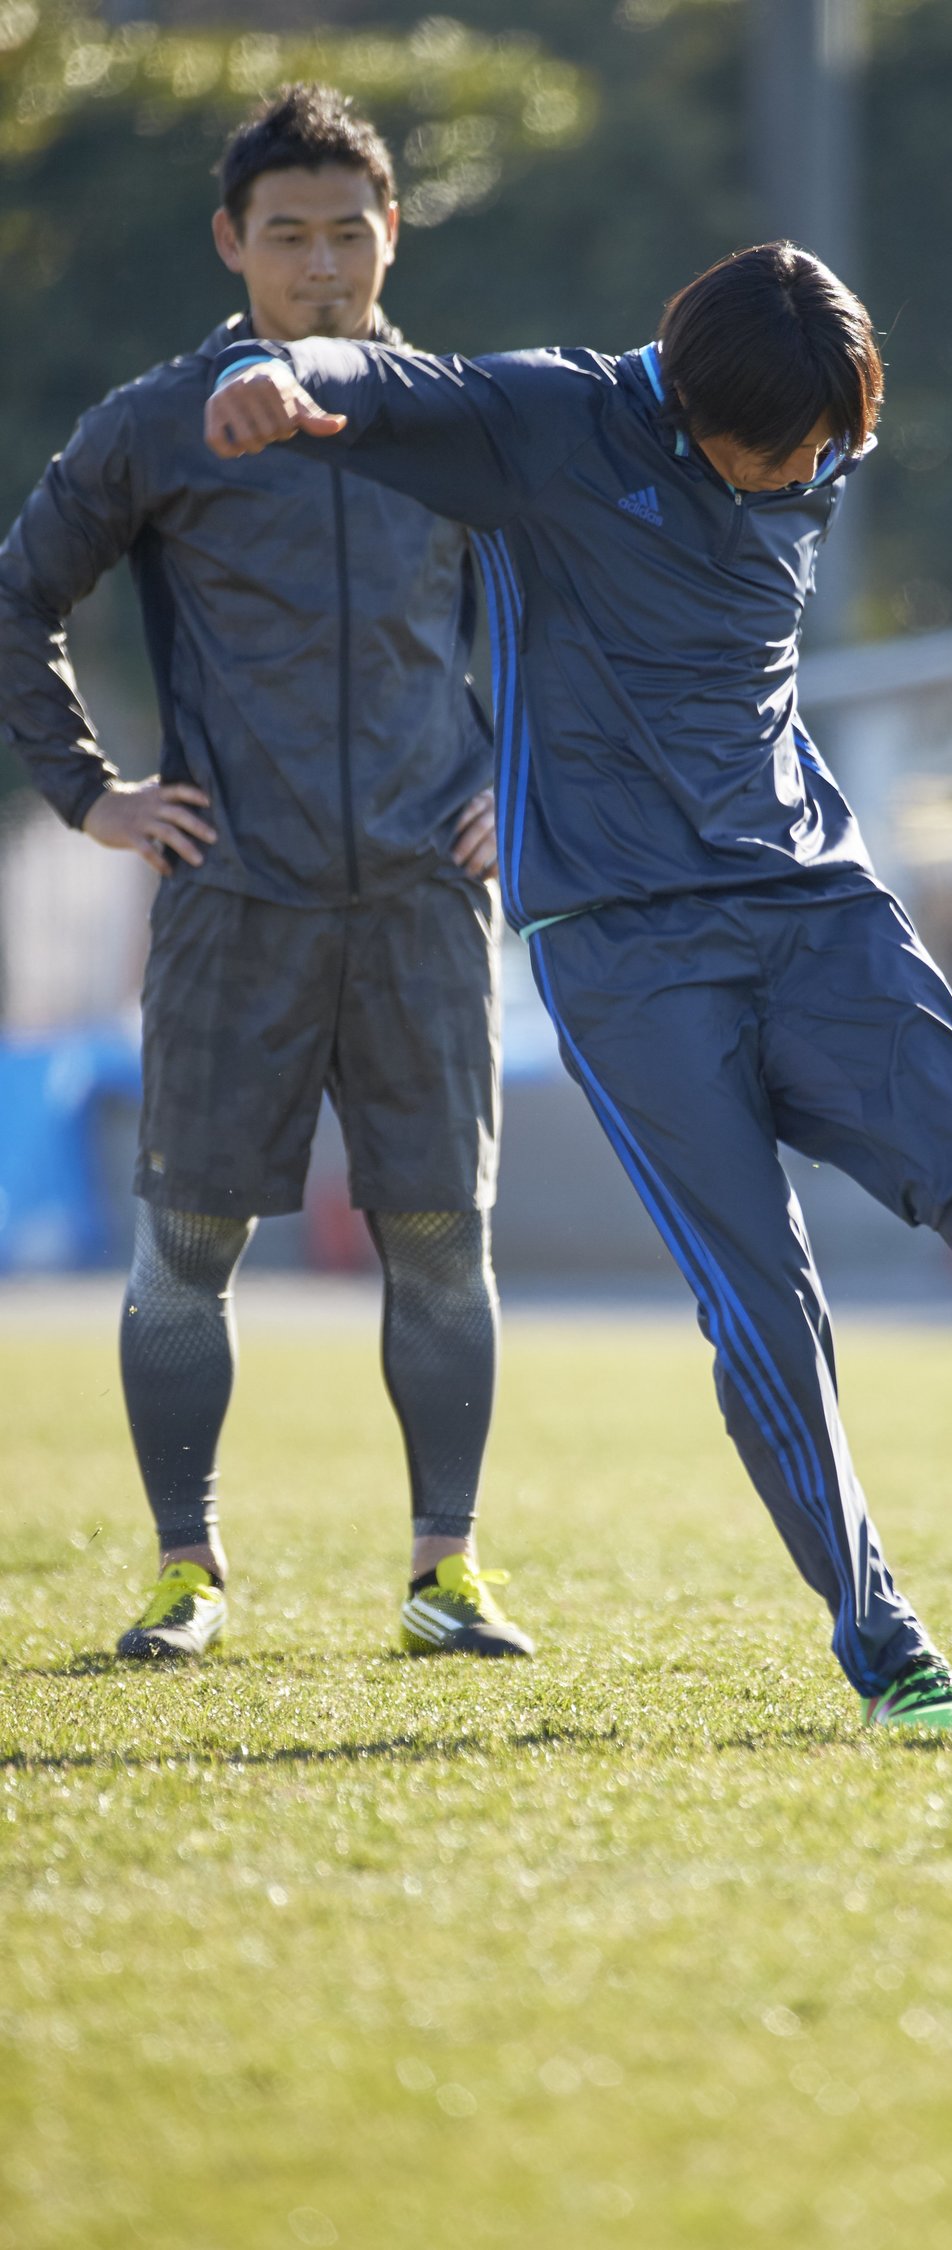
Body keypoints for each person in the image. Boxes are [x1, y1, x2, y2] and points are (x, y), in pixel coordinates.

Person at [200, 241, 952, 1729]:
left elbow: (805, 438)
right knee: (765, 1299)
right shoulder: (555, 426)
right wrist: (266, 371)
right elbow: (384, 381)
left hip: (818, 908)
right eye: (781, 446)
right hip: (624, 945)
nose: (811, 466)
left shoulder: (821, 444)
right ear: (686, 402)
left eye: (833, 441)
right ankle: (886, 1645)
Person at [0, 85, 531, 1664]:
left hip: (429, 897)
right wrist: (90, 793)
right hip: (237, 898)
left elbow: (583, 617)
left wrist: (530, 785)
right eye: (287, 235)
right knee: (190, 1245)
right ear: (232, 241)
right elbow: (17, 595)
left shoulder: (468, 419)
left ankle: (447, 1572)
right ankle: (185, 1569)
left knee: (443, 1238)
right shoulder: (158, 424)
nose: (320, 264)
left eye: (348, 231)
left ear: (394, 232)